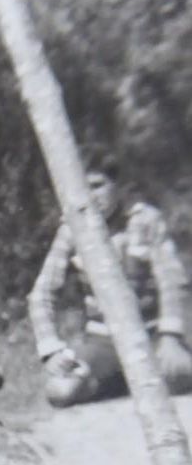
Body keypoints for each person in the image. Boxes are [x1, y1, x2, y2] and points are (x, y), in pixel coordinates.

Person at [28, 170, 192, 407]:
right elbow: (42, 293)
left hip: (151, 335)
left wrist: (170, 335)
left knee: (179, 373)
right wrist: (51, 349)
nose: (90, 195)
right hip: (103, 342)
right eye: (81, 186)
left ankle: (142, 374)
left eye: (97, 185)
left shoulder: (144, 219)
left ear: (118, 185)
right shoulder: (73, 228)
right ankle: (115, 379)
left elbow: (172, 280)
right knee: (61, 391)